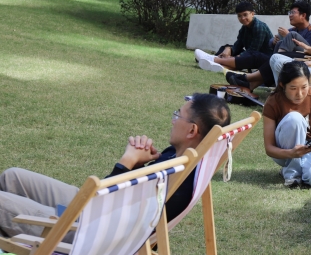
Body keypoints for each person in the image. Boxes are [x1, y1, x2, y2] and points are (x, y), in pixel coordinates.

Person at [0, 94, 231, 241]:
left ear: (192, 131)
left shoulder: (171, 176)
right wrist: (141, 162)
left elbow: (104, 203)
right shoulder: (184, 158)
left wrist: (127, 161)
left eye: (177, 116)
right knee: (12, 178)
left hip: (91, 234)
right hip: (92, 215)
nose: (172, 120)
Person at [262, 61, 311, 188]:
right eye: (293, 88)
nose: (299, 94)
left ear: (309, 83)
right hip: (285, 151)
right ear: (283, 85)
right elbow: (269, 148)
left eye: (304, 87)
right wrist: (291, 154)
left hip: (310, 149)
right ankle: (291, 174)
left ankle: (301, 169)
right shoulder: (273, 102)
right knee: (295, 118)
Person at [195, 1, 274, 76]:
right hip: (251, 56)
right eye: (239, 16)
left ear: (252, 14)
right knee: (225, 48)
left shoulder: (259, 27)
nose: (242, 18)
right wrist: (229, 50)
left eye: (245, 15)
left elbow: (253, 50)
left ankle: (214, 60)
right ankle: (222, 65)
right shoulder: (244, 28)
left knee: (249, 56)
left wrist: (235, 57)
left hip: (263, 59)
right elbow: (238, 44)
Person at [268, 0, 311, 85]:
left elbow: (309, 52)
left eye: (293, 12)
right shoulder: (293, 29)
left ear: (303, 15)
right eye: (290, 12)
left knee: (292, 35)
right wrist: (274, 41)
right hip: (291, 58)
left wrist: (288, 36)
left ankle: (275, 70)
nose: (290, 15)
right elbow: (270, 41)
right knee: (280, 43)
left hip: (304, 62)